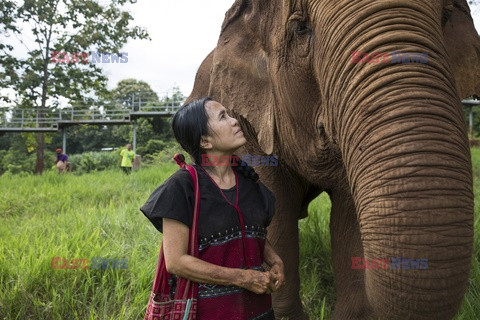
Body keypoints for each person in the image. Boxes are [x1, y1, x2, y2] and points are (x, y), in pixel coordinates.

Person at [140, 98, 285, 319]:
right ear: (205, 141)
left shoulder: (251, 183)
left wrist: (275, 260)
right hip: (211, 313)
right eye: (223, 117)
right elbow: (176, 262)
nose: (235, 121)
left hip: (261, 312)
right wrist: (243, 278)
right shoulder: (182, 187)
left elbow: (251, 233)